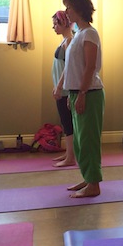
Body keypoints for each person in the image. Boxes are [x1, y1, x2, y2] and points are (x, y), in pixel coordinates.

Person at [54, 0, 104, 198]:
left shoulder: (90, 34)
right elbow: (73, 67)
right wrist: (70, 93)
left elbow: (90, 66)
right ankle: (87, 178)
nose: (67, 12)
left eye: (69, 8)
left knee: (88, 140)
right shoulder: (77, 35)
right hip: (77, 92)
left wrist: (82, 93)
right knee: (79, 142)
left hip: (90, 93)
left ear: (80, 10)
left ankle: (94, 185)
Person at [51, 10, 77, 167]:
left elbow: (69, 67)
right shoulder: (64, 41)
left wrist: (59, 86)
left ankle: (71, 158)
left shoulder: (70, 41)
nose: (53, 27)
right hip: (60, 89)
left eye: (56, 23)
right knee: (65, 122)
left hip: (66, 90)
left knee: (68, 124)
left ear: (64, 23)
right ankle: (68, 153)